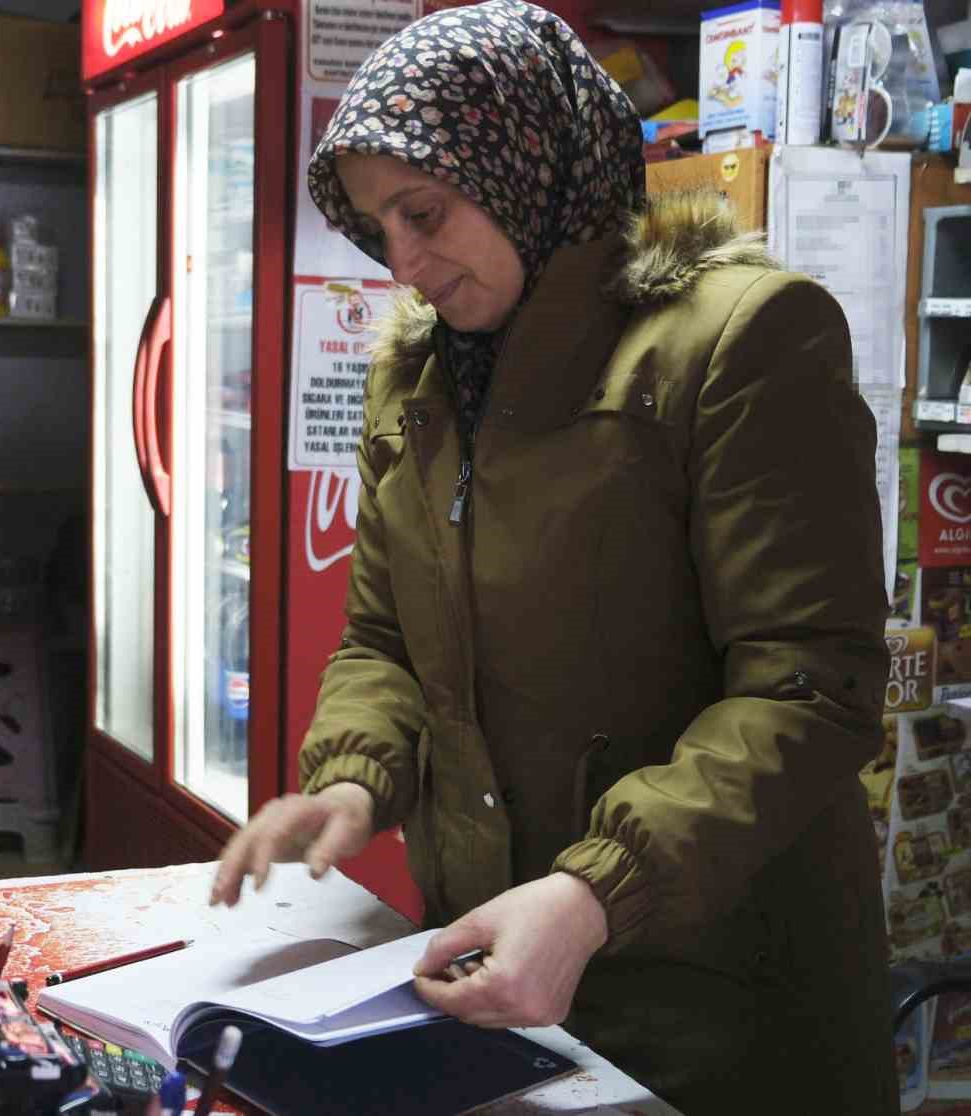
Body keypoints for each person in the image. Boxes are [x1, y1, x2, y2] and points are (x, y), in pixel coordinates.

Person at [209, 3, 897, 1112]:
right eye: (378, 226)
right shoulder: (423, 380)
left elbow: (809, 687)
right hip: (499, 965)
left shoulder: (741, 341)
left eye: (423, 212)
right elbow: (385, 637)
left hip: (715, 1000)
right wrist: (353, 776)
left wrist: (592, 892)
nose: (404, 260)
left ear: (523, 159)